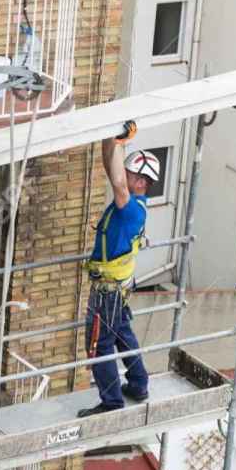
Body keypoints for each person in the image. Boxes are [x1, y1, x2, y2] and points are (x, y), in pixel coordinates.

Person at [78, 121, 161, 418]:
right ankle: (138, 384)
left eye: (130, 175)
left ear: (141, 182)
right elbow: (110, 169)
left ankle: (112, 400)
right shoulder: (132, 206)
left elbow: (117, 182)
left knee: (101, 345)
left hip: (107, 291)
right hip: (115, 290)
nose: (124, 178)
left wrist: (119, 141)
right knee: (123, 335)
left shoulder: (132, 209)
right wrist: (110, 141)